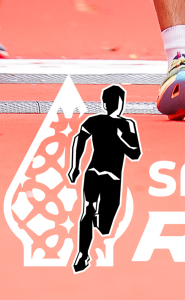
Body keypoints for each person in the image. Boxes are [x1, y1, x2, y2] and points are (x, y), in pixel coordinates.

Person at [65, 84, 142, 273]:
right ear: (107, 104)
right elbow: (79, 139)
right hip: (98, 173)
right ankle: (83, 253)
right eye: (113, 101)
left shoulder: (126, 124)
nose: (116, 105)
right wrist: (75, 166)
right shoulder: (98, 121)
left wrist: (119, 140)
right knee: (88, 209)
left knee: (103, 225)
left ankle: (95, 221)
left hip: (107, 177)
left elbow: (135, 153)